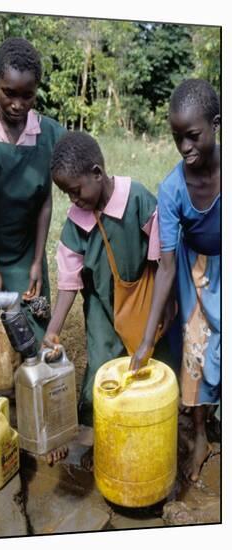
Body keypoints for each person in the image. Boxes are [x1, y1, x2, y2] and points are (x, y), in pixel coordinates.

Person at [44, 131, 168, 468]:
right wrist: (52, 331)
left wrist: (160, 314)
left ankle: (154, 430)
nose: (73, 200)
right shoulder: (75, 222)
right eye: (66, 194)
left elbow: (162, 259)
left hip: (146, 294)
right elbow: (68, 282)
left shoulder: (139, 199)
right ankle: (104, 441)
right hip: (101, 306)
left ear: (97, 173)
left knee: (153, 363)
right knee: (103, 371)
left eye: (76, 190)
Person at [130, 79, 220, 482]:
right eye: (177, 138)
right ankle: (200, 433)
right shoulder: (171, 189)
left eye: (194, 136)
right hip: (193, 270)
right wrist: (147, 339)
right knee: (195, 351)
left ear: (216, 124)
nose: (185, 148)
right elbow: (165, 265)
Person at [0, 37, 66, 350]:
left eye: (28, 95)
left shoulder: (49, 134)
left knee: (35, 328)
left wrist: (37, 261)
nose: (18, 104)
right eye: (8, 93)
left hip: (28, 253)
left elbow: (45, 202)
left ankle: (32, 392)